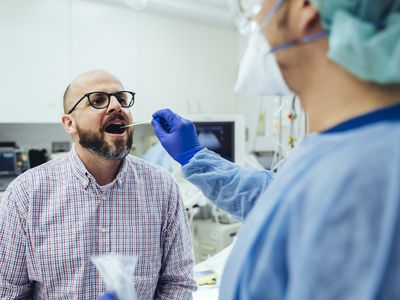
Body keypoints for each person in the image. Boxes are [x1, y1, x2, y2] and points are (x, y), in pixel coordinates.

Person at [150, 0, 400, 299]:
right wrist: (195, 158)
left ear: (305, 8)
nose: (255, 20)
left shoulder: (360, 177)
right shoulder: (347, 149)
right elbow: (276, 195)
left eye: (256, 5)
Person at [0, 69, 196, 299]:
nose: (116, 106)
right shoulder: (25, 195)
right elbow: (8, 293)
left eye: (122, 99)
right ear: (69, 123)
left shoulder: (163, 188)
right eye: (98, 100)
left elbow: (178, 284)